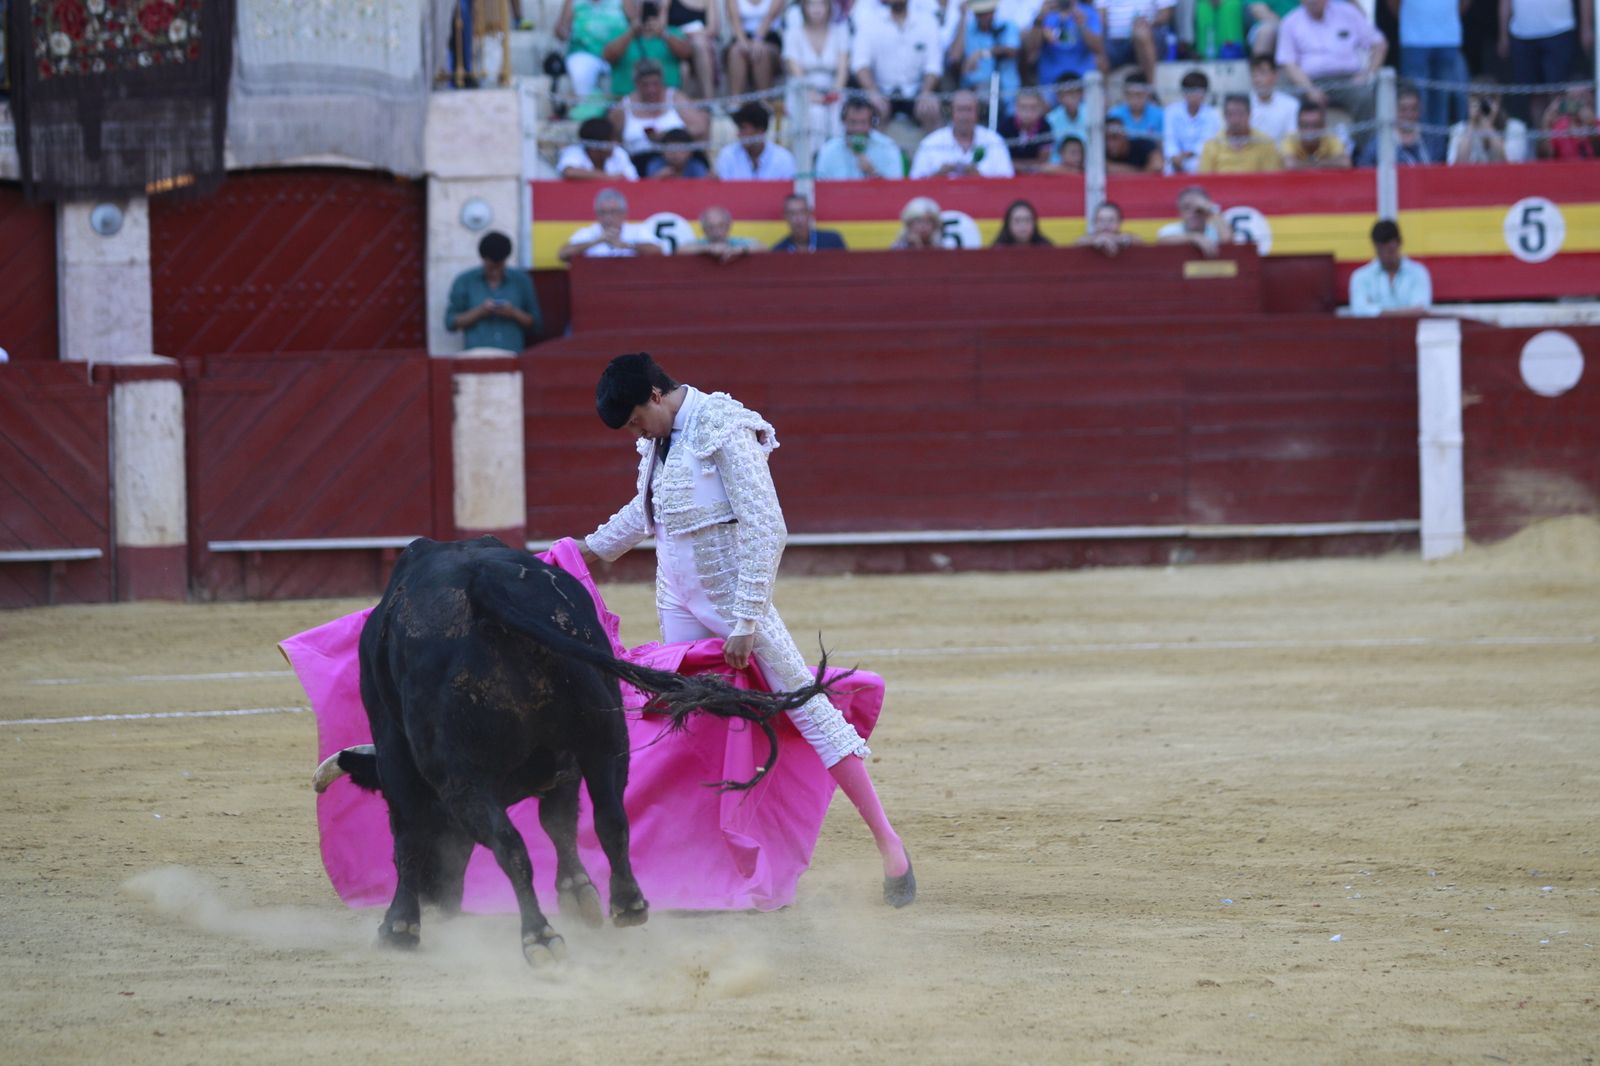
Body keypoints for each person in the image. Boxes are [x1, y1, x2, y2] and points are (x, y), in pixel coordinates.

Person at [577, 353, 916, 907]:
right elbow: (643, 514)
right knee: (687, 723)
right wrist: (579, 553)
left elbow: (768, 524)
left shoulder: (724, 427)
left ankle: (890, 845)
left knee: (809, 709)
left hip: (734, 599)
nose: (636, 433)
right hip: (677, 601)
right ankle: (698, 862)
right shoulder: (657, 442)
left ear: (657, 395)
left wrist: (747, 617)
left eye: (638, 420)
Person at [1275, 0, 1386, 127]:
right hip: (1308, 81)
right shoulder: (1290, 22)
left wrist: (1367, 74)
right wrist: (1310, 89)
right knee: (1286, 101)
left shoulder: (1348, 13)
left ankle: (1367, 146)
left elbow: (1379, 44)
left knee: (1364, 96)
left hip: (1348, 80)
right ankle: (1291, 146)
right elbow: (1288, 63)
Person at [1390, 0, 1468, 158]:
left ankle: (1436, 158)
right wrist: (1410, 19)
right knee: (1415, 103)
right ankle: (1417, 156)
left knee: (1441, 103)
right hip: (1414, 39)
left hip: (1448, 38)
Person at [852, 0, 945, 131]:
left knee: (931, 109)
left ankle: (933, 151)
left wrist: (925, 92)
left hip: (917, 90)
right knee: (871, 112)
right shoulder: (870, 21)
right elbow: (860, 64)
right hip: (881, 90)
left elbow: (934, 66)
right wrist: (873, 92)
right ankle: (873, 151)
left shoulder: (928, 21)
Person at [443, 231, 542, 352]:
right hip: (476, 356)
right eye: (491, 266)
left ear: (505, 259)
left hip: (512, 355)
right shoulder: (465, 281)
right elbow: (450, 323)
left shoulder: (521, 281)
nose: (495, 271)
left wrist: (514, 313)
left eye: (499, 266)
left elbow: (537, 325)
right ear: (483, 259)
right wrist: (479, 312)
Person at [1498, 0, 1591, 125]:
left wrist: (1587, 28)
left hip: (1560, 30)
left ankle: (1561, 138)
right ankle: (1542, 140)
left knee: (1559, 93)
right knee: (1533, 93)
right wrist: (1503, 35)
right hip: (1523, 33)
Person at [610, 58, 710, 173]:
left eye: (655, 84)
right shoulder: (623, 107)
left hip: (681, 163)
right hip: (639, 164)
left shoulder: (675, 98)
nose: (651, 90)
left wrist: (666, 137)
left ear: (662, 81)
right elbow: (612, 140)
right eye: (645, 85)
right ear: (636, 84)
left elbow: (700, 127)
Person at [784, 0, 852, 142]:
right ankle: (813, 159)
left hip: (833, 88)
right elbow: (794, 68)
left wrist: (834, 93)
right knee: (816, 114)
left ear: (829, 8)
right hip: (802, 90)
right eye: (812, 4)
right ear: (804, 7)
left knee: (837, 113)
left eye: (821, 4)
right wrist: (812, 94)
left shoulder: (839, 32)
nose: (817, 9)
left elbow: (842, 70)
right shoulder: (793, 33)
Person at [909, 89, 1017, 178]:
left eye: (969, 110)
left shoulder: (994, 141)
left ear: (977, 112)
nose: (964, 116)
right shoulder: (930, 143)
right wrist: (938, 176)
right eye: (960, 110)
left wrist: (979, 177)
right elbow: (915, 182)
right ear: (951, 112)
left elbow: (1006, 182)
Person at [601, 0, 695, 97]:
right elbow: (608, 56)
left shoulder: (673, 32)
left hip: (665, 99)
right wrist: (631, 33)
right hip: (625, 98)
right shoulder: (619, 32)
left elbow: (686, 54)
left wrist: (664, 34)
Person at [1348, 218, 1432, 317]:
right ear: (1375, 246)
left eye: (1390, 250)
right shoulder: (1361, 276)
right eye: (1381, 251)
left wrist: (1375, 310)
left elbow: (1421, 310)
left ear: (1400, 242)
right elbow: (1359, 310)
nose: (1385, 256)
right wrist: (1407, 312)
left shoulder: (1418, 273)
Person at [949, 0, 1023, 106]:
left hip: (1006, 95)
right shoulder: (968, 28)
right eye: (979, 13)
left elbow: (1012, 51)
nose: (984, 17)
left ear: (994, 11)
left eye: (987, 12)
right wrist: (963, 17)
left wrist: (981, 54)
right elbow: (954, 57)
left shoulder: (1007, 26)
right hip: (973, 97)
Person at [558, 189, 668, 259]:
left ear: (623, 213)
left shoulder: (637, 231)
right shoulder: (588, 233)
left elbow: (658, 251)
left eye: (613, 212)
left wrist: (628, 246)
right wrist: (597, 241)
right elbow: (563, 254)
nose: (608, 217)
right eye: (603, 213)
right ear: (597, 215)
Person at [815, 98, 908, 179]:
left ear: (872, 123)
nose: (858, 128)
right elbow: (820, 188)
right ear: (843, 122)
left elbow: (895, 189)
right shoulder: (829, 150)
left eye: (863, 122)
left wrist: (873, 173)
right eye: (853, 122)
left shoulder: (887, 147)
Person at [556, 0, 632, 98]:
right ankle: (588, 110)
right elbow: (562, 29)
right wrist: (562, 31)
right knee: (581, 73)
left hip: (619, 53)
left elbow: (635, 23)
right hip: (584, 52)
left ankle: (626, 109)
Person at [1027, 0, 1105, 88]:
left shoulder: (1088, 12)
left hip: (1083, 82)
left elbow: (1098, 49)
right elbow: (1031, 51)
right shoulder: (1043, 14)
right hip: (1050, 83)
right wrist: (1039, 19)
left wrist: (1082, 25)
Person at [1199, 92, 1283, 172]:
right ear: (1224, 116)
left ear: (1249, 114)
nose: (1236, 120)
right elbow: (1204, 181)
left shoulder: (1265, 143)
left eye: (1240, 114)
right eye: (1231, 114)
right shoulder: (1212, 145)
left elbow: (1271, 181)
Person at [653, 0, 720, 98]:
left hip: (700, 43)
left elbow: (713, 29)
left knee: (699, 44)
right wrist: (663, 8)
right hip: (675, 45)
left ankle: (709, 98)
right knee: (684, 68)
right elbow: (660, 28)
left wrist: (692, 35)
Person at [715, 102, 799, 179]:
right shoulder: (728, 155)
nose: (738, 134)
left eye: (743, 128)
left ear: (760, 131)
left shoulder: (783, 159)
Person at [1446, 87, 1530, 164]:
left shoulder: (1515, 128)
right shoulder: (1459, 129)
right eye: (1476, 102)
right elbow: (1457, 166)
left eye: (1488, 101)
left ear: (1498, 102)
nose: (1482, 108)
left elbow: (1508, 165)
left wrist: (1488, 127)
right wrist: (1471, 123)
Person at [1096, 0, 1173, 82]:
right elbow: (1101, 17)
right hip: (1115, 41)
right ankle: (1106, 93)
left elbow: (1165, 13)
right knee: (1100, 55)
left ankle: (1150, 87)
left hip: (1150, 35)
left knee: (1141, 33)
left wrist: (1147, 23)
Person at [1356, 85, 1433, 166]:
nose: (1409, 115)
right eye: (1403, 109)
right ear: (1392, 110)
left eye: (1414, 109)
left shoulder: (1432, 141)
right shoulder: (1377, 147)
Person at [1162, 69, 1221, 175]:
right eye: (1189, 90)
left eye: (1197, 91)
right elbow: (1169, 139)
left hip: (1198, 158)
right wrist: (1175, 157)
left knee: (1197, 166)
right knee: (1167, 169)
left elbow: (1206, 142)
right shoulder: (1171, 111)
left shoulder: (1212, 114)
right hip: (1174, 159)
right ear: (1183, 92)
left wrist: (1186, 155)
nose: (1193, 95)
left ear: (1205, 93)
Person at [726, 0, 786, 97]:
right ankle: (735, 102)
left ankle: (764, 100)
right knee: (736, 52)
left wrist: (758, 40)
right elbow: (734, 20)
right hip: (742, 37)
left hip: (769, 37)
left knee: (761, 52)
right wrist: (743, 42)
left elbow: (770, 17)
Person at [559, 118, 643, 180]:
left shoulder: (619, 152)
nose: (614, 145)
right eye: (610, 141)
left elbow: (632, 179)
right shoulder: (573, 152)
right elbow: (569, 172)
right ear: (595, 147)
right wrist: (610, 178)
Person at [999, 88, 1058, 173]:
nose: (1027, 112)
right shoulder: (1004, 126)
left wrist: (1020, 166)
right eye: (1023, 107)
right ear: (1016, 107)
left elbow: (1043, 162)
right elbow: (1001, 160)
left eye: (1033, 108)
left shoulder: (1046, 127)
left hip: (1037, 177)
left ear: (1041, 108)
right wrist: (1027, 167)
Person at [1246, 55, 1299, 144]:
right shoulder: (1243, 106)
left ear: (1275, 75)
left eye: (1263, 73)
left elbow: (1292, 139)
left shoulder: (1291, 105)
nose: (1257, 79)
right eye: (1254, 74)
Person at [1280, 101, 1351, 167]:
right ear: (1298, 126)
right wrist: (1325, 164)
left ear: (1323, 126)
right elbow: (1290, 165)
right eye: (1305, 125)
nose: (1310, 131)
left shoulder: (1330, 138)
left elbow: (1345, 163)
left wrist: (1310, 164)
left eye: (1315, 125)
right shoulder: (1290, 139)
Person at [1156, 184, 1220, 256]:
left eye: (1199, 209)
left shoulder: (1215, 229)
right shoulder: (1170, 230)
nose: (1193, 213)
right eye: (1186, 207)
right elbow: (1162, 241)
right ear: (1180, 211)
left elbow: (1228, 239)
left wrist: (1211, 209)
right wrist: (1194, 237)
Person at [771, 193, 849, 250]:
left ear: (809, 214)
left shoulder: (832, 241)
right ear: (785, 217)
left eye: (802, 212)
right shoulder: (779, 250)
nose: (798, 219)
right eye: (792, 214)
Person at [1106, 72, 1163, 145]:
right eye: (1130, 95)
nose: (1135, 100)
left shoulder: (1160, 115)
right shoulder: (1114, 114)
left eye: (1139, 95)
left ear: (1147, 93)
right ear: (1124, 94)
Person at [687, 206, 760, 261]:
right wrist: (708, 249)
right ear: (703, 229)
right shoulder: (700, 244)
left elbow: (762, 247)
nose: (716, 231)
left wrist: (739, 250)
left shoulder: (738, 242)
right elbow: (680, 250)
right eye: (710, 227)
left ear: (728, 226)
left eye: (721, 226)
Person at [1075, 200, 1143, 256]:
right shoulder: (1087, 239)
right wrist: (1095, 241)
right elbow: (1078, 243)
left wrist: (1116, 239)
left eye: (1111, 220)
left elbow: (1140, 242)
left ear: (1119, 222)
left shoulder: (1126, 237)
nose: (1106, 224)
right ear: (1095, 223)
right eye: (1101, 220)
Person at [645, 128, 713, 177]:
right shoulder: (655, 165)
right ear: (662, 152)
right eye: (670, 149)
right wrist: (657, 178)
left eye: (680, 149)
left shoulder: (696, 166)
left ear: (690, 152)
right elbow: (647, 188)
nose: (674, 153)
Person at [1045, 78, 1090, 145]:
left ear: (1081, 94)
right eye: (1065, 94)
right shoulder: (1050, 119)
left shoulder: (1091, 113)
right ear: (1058, 97)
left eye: (1072, 93)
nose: (1069, 99)